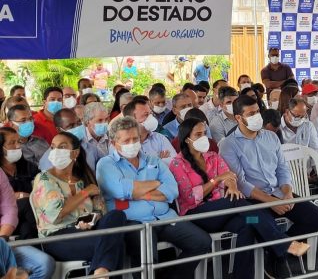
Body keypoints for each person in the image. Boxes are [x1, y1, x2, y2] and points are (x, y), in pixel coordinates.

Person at [170, 118, 310, 279]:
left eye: (205, 133)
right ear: (187, 139)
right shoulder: (177, 163)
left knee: (250, 222)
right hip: (198, 215)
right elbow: (189, 197)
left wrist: (232, 186)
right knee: (235, 201)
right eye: (198, 134)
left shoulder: (213, 157)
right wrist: (217, 180)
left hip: (224, 211)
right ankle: (285, 244)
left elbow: (230, 177)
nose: (204, 138)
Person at [219, 96, 318, 274]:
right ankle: (282, 252)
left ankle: (275, 254)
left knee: (316, 218)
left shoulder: (271, 137)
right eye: (251, 113)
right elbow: (241, 184)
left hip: (278, 194)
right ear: (238, 117)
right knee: (256, 222)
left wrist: (288, 193)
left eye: (258, 112)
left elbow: (283, 169)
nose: (257, 116)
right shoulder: (228, 144)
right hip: (252, 203)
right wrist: (271, 203)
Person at [96, 117, 211, 279]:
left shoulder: (153, 160)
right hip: (134, 222)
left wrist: (138, 192)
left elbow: (172, 190)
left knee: (202, 242)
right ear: (114, 143)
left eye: (135, 139)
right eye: (126, 140)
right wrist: (156, 183)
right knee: (147, 257)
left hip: (164, 217)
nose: (132, 143)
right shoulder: (106, 164)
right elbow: (122, 191)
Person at [32, 132, 127, 277]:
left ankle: (101, 272)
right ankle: (101, 272)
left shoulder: (84, 179)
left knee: (117, 215)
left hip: (85, 230)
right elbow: (56, 214)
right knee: (115, 243)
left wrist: (88, 221)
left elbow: (101, 211)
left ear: (75, 153)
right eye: (53, 147)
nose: (56, 151)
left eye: (62, 147)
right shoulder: (45, 178)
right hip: (57, 236)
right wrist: (84, 193)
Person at [0, 128, 38, 239]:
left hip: (28, 213)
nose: (17, 146)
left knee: (26, 227)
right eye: (12, 143)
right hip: (6, 213)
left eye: (19, 142)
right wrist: (20, 195)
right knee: (26, 203)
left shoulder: (28, 166)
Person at [122, 100, 177, 164]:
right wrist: (159, 160)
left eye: (151, 113)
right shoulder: (122, 144)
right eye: (146, 115)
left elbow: (174, 163)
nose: (151, 117)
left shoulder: (160, 138)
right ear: (131, 120)